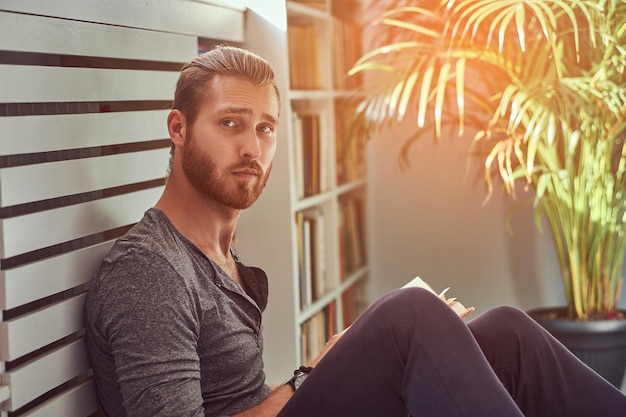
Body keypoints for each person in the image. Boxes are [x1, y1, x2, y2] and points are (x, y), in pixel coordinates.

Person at [84, 45, 626, 417]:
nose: (252, 147)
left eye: (265, 128)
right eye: (230, 124)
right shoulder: (149, 270)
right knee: (406, 316)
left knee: (505, 331)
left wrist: (321, 371)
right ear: (178, 128)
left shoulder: (218, 252)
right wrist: (308, 377)